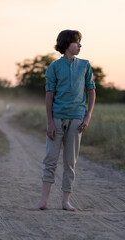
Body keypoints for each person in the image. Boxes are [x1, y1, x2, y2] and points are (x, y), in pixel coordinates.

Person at [29, 29, 96, 212]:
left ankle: (66, 201)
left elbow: (91, 91)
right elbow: (49, 96)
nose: (80, 45)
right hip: (57, 119)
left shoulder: (85, 65)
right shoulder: (53, 68)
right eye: (76, 42)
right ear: (66, 44)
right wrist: (50, 122)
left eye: (80, 42)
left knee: (70, 162)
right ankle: (43, 201)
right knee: (50, 159)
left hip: (77, 119)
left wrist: (87, 116)